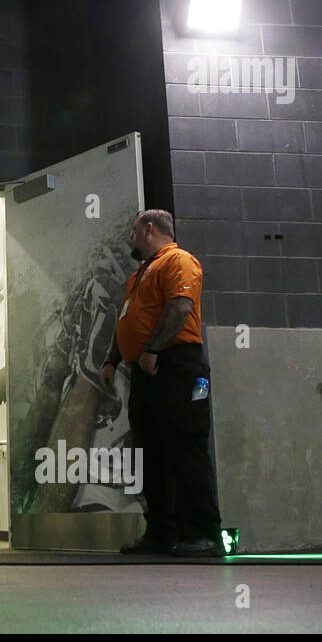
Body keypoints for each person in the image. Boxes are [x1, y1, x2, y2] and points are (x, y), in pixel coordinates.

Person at [99, 209, 220, 557]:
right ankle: (161, 533)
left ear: (149, 228)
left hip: (178, 366)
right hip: (146, 371)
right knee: (150, 453)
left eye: (134, 232)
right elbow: (127, 320)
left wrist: (153, 349)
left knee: (186, 447)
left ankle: (204, 533)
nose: (131, 239)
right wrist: (112, 360)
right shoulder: (140, 275)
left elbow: (180, 306)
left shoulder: (178, 261)